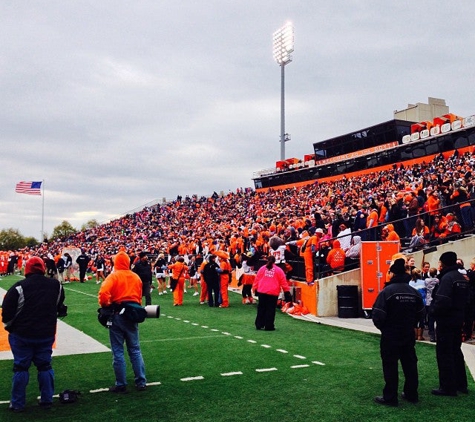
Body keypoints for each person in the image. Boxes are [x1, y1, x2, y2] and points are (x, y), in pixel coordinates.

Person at [1, 256, 66, 412]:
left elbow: (7, 313)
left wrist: (11, 327)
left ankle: (17, 403)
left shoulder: (19, 287)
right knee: (44, 366)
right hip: (46, 333)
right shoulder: (56, 286)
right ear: (43, 269)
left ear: (27, 269)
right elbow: (59, 307)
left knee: (21, 368)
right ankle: (47, 400)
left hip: (22, 334)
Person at [372, 258, 425, 406]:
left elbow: (377, 315)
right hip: (408, 333)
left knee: (390, 366)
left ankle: (390, 397)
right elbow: (421, 313)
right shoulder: (414, 292)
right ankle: (411, 394)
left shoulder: (387, 292)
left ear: (393, 274)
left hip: (390, 334)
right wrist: (412, 325)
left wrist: (385, 329)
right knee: (410, 365)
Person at [98, 249, 147, 393]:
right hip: (132, 314)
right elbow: (139, 297)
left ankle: (121, 383)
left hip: (117, 315)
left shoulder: (113, 277)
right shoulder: (135, 277)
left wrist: (106, 305)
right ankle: (141, 381)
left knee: (118, 350)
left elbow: (103, 294)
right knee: (135, 349)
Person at [431, 251, 469, 396]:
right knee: (456, 351)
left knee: (445, 353)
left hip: (446, 320)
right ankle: (461, 384)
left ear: (444, 263)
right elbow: (468, 300)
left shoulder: (447, 278)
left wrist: (433, 312)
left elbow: (442, 300)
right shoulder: (462, 278)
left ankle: (447, 387)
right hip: (459, 318)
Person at [252, 255, 292, 331]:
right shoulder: (279, 270)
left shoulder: (262, 268)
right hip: (273, 292)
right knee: (270, 309)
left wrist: (255, 288)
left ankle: (259, 324)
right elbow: (283, 282)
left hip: (262, 291)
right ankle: (269, 326)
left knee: (261, 308)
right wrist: (287, 292)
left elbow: (257, 279)